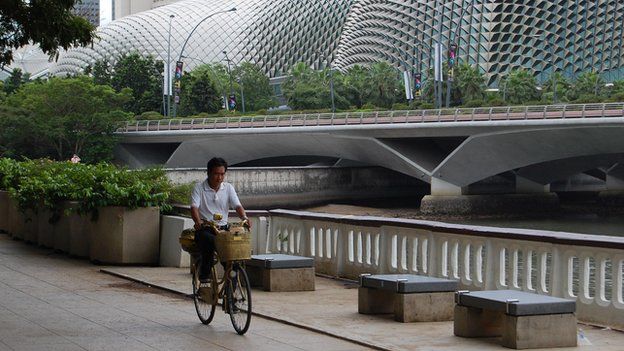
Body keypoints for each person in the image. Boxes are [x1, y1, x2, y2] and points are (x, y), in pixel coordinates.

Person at [190, 157, 250, 283]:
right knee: (209, 242)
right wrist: (198, 222)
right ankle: (204, 275)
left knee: (232, 256)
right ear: (209, 173)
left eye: (222, 174)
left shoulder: (228, 188)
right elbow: (194, 207)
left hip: (223, 229)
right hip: (206, 228)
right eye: (216, 174)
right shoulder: (199, 188)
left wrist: (244, 218)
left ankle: (231, 294)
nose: (219, 178)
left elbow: (237, 205)